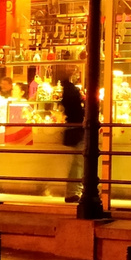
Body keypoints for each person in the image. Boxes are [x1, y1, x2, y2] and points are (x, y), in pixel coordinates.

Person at [56, 67, 85, 202]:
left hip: (74, 126)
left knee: (78, 161)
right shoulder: (71, 90)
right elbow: (76, 109)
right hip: (77, 127)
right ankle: (73, 191)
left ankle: (75, 190)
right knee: (79, 161)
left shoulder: (67, 90)